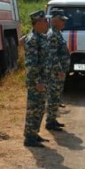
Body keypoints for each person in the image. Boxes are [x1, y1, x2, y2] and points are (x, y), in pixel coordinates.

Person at [23, 10, 51, 148]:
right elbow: (31, 64)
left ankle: (34, 133)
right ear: (38, 23)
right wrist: (38, 81)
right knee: (33, 109)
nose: (47, 23)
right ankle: (29, 137)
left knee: (40, 108)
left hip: (42, 80)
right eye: (45, 21)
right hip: (36, 81)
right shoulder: (32, 39)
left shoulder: (41, 37)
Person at [46, 9, 71, 131]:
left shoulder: (57, 33)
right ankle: (50, 122)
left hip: (58, 71)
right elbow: (52, 55)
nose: (64, 23)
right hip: (55, 72)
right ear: (55, 21)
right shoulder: (52, 35)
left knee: (56, 97)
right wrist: (59, 70)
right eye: (62, 21)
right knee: (53, 96)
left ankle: (52, 119)